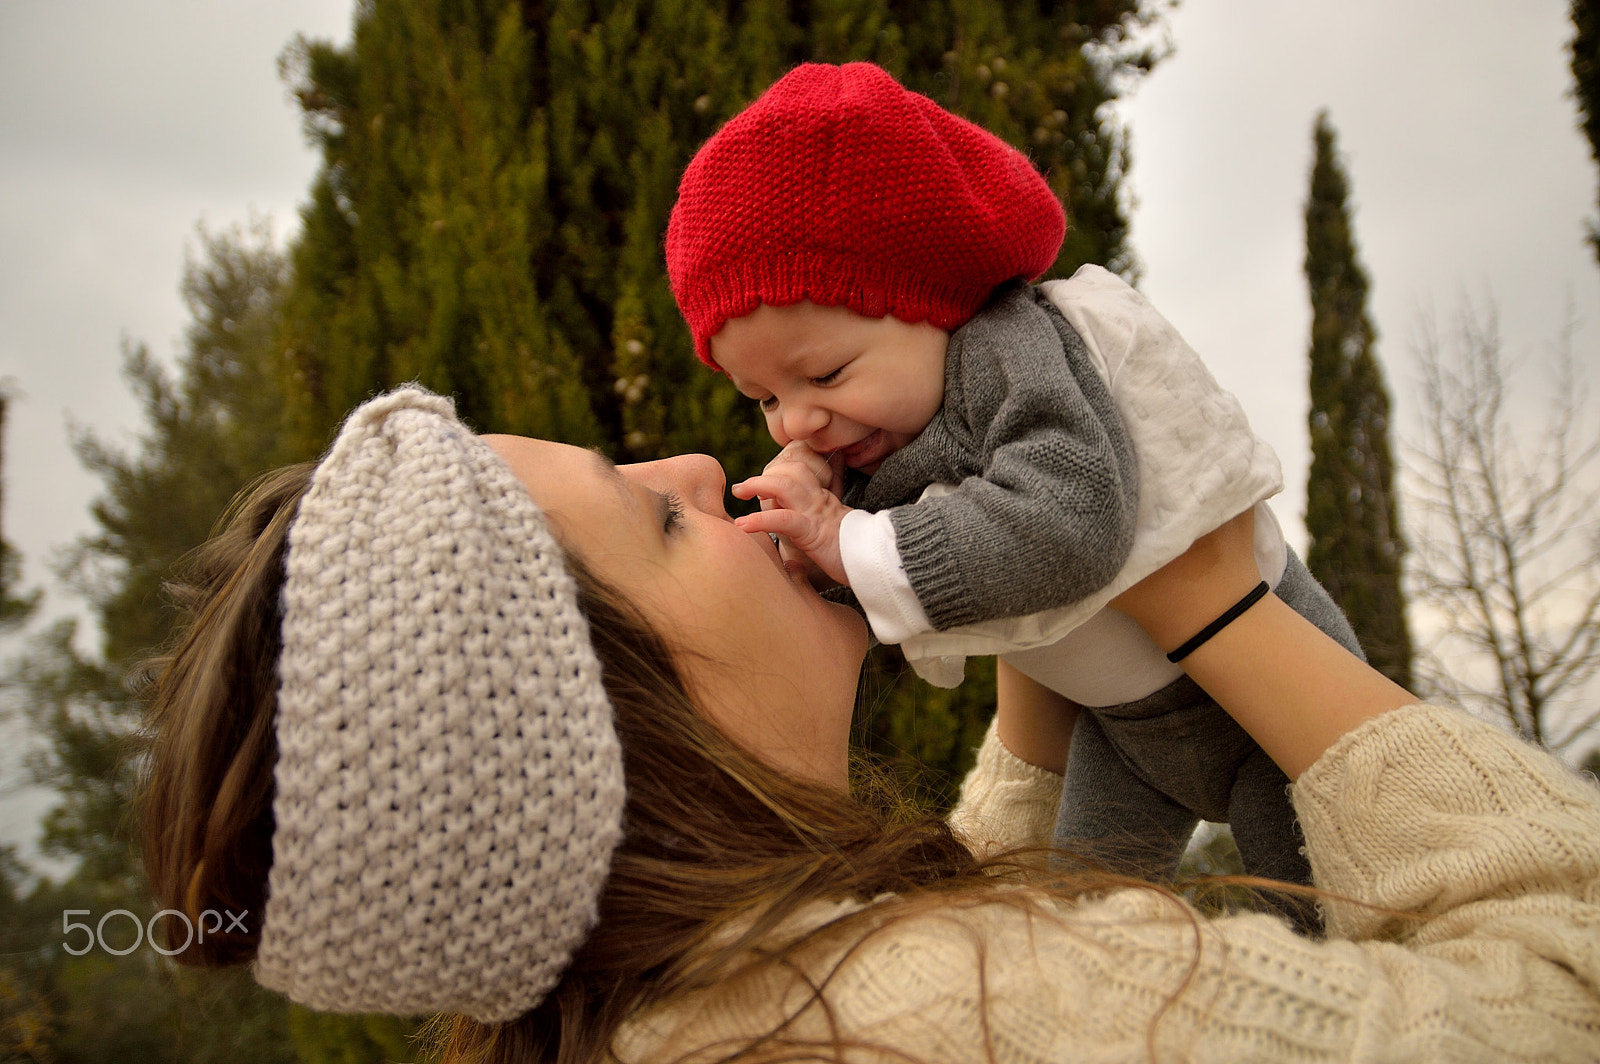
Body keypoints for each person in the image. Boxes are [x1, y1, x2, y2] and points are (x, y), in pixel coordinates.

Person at [140, 386, 1600, 1062]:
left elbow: (919, 936)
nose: (708, 459)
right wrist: (1216, 606)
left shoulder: (658, 1018)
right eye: (655, 517)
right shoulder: (956, 1019)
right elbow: (1561, 1002)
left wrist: (1036, 651)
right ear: (630, 742)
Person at [663, 60, 1364, 901]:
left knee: (1318, 901)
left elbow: (1069, 521)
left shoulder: (1012, 349)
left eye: (828, 372)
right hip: (1124, 734)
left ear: (939, 305)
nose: (797, 422)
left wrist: (848, 541)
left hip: (1268, 707)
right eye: (766, 398)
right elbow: (898, 576)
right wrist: (818, 557)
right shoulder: (881, 439)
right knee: (1074, 917)